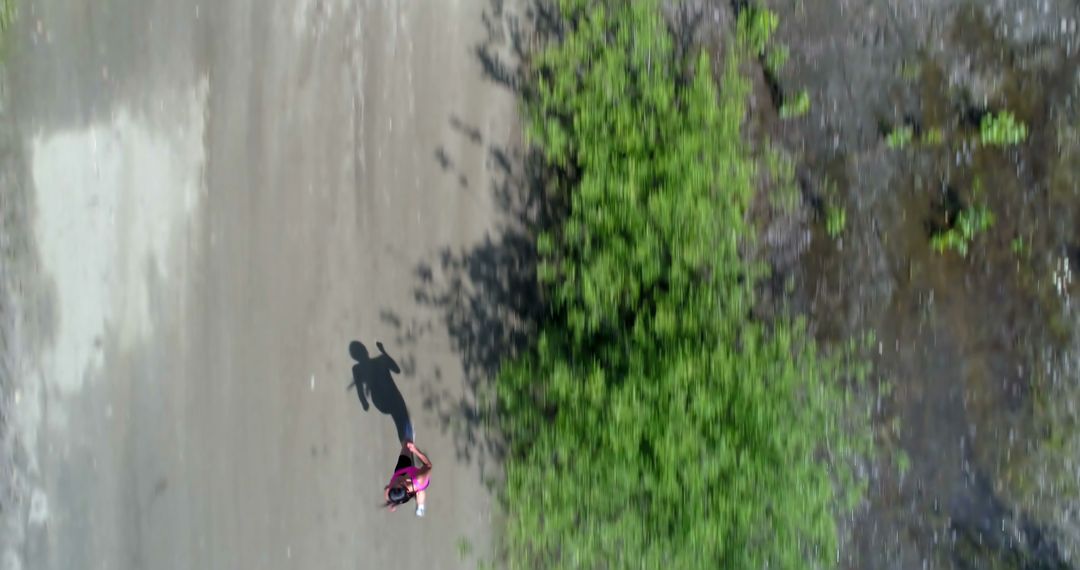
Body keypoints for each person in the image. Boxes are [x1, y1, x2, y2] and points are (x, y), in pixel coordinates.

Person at [384, 432, 432, 517]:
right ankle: (420, 507)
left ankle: (408, 434)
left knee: (407, 443)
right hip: (416, 484)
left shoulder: (390, 490)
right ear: (402, 483)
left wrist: (393, 502)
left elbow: (387, 490)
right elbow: (428, 465)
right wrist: (416, 451)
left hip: (402, 469)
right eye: (397, 481)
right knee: (420, 492)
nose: (394, 481)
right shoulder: (420, 480)